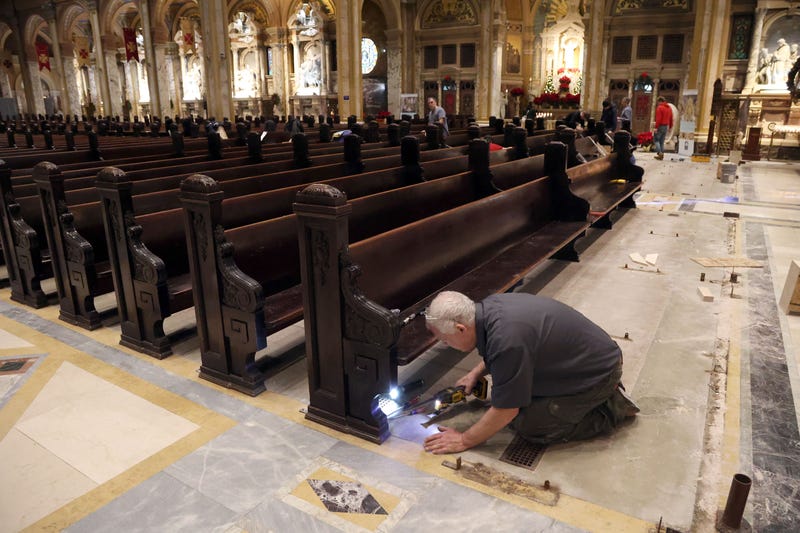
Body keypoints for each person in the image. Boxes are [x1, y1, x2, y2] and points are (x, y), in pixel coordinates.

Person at [422, 291, 639, 455]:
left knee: (531, 426)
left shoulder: (507, 340)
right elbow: (506, 349)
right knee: (517, 404)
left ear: (461, 328)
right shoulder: (490, 308)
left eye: (445, 340)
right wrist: (476, 372)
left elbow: (506, 410)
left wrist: (465, 440)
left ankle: (611, 409)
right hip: (583, 359)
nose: (446, 344)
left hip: (600, 372)